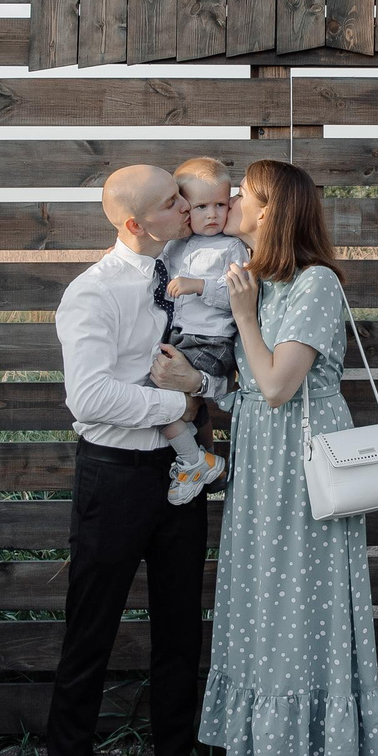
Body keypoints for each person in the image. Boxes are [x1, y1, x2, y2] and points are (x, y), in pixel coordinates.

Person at [39, 163, 238, 756]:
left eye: (186, 197)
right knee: (89, 631)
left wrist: (200, 390)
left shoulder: (188, 275)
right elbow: (89, 397)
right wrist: (176, 403)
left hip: (180, 475)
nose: (188, 206)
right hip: (115, 474)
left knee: (181, 627)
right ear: (135, 222)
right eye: (171, 201)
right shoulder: (92, 293)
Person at [198, 159, 378, 756]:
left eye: (244, 197)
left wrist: (244, 314)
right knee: (266, 613)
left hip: (308, 469)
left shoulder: (314, 283)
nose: (231, 203)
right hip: (260, 468)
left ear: (273, 211)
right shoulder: (261, 280)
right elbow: (250, 391)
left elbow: (279, 383)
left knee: (319, 612)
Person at [156, 155, 247, 505]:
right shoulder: (175, 245)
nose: (212, 214)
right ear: (183, 208)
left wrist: (199, 286)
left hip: (211, 340)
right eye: (201, 206)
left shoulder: (232, 247)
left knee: (165, 404)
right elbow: (154, 266)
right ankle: (208, 461)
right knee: (188, 405)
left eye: (221, 205)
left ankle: (195, 462)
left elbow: (239, 295)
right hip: (179, 335)